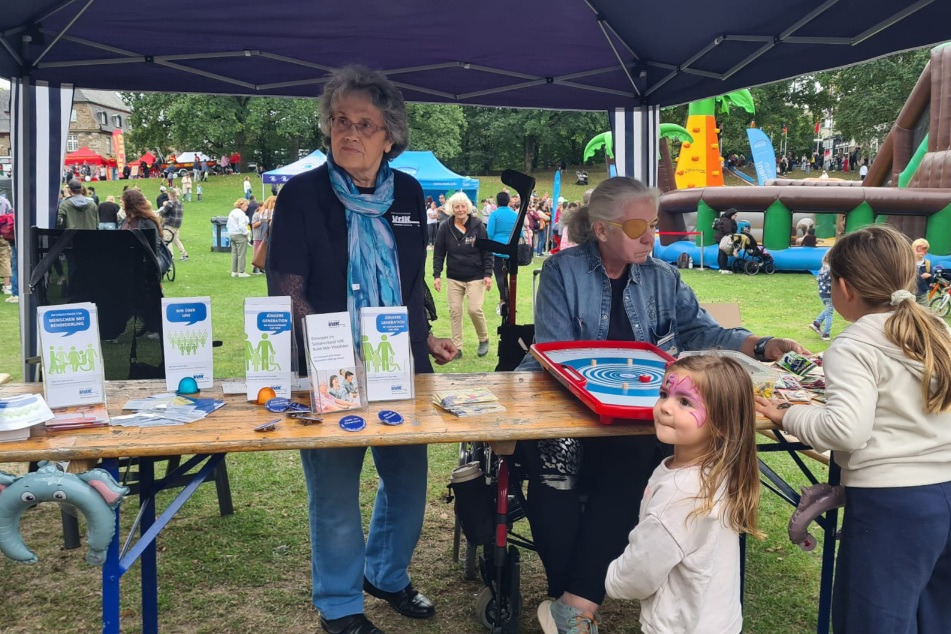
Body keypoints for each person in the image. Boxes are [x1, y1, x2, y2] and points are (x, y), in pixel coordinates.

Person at [518, 176, 805, 634]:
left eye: (652, 224)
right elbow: (555, 351)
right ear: (602, 231)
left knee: (630, 459)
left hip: (639, 414)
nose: (651, 236)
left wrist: (761, 342)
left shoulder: (663, 275)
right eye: (637, 227)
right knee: (554, 469)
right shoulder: (562, 270)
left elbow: (702, 331)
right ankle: (569, 594)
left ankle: (576, 604)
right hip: (568, 404)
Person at [266, 65, 455, 634]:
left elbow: (409, 278)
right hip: (327, 368)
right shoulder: (302, 194)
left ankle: (386, 573)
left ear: (389, 135)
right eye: (340, 121)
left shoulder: (412, 193)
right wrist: (325, 361)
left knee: (407, 485)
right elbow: (285, 287)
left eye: (364, 124)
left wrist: (424, 335)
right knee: (336, 491)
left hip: (401, 364)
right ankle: (340, 604)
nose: (349, 133)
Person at [756, 224, 951, 634]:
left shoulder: (855, 345)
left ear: (843, 287)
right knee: (935, 614)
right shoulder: (936, 330)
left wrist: (784, 415)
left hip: (893, 507)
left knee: (874, 619)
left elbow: (845, 430)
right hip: (944, 491)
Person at [602, 354, 763, 634]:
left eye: (685, 402)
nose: (665, 407)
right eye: (664, 393)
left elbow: (642, 570)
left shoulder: (680, 494)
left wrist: (614, 578)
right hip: (718, 620)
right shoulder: (720, 469)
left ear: (722, 423)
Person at [432, 192, 493, 359]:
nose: (460, 210)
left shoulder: (478, 225)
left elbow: (487, 251)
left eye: (463, 206)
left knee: (474, 309)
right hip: (454, 276)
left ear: (468, 207)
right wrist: (436, 275)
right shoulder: (445, 226)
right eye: (456, 207)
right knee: (455, 311)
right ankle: (457, 347)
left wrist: (488, 274)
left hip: (475, 276)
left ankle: (483, 338)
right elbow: (438, 253)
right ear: (452, 208)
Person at [486, 191, 518, 315]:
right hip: (512, 250)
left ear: (497, 202)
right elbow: (519, 233)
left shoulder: (494, 215)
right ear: (508, 200)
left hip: (498, 250)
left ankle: (503, 303)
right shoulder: (515, 215)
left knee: (500, 277)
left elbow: (489, 233)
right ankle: (509, 302)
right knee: (511, 278)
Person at [158, 188, 188, 261]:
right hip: (177, 225)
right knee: (176, 240)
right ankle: (184, 255)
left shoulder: (170, 203)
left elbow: (162, 212)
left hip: (169, 224)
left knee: (167, 240)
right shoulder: (180, 203)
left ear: (171, 195)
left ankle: (170, 256)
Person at [810, 251, 833, 341]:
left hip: (823, 294)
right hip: (829, 294)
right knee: (829, 314)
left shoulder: (821, 270)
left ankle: (817, 323)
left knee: (828, 310)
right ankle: (826, 334)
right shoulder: (831, 271)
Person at [227, 198, 251, 278]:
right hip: (239, 234)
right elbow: (242, 225)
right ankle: (241, 271)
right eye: (245, 205)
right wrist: (246, 233)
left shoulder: (232, 212)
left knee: (234, 254)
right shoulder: (241, 213)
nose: (247, 207)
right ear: (241, 205)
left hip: (232, 234)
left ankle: (234, 271)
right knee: (241, 254)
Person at [251, 195, 275, 274]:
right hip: (268, 234)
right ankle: (259, 267)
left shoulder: (263, 212)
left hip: (264, 234)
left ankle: (260, 267)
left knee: (261, 251)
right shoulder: (271, 212)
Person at [713, 208, 738, 274]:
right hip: (723, 238)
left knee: (720, 253)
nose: (736, 216)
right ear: (731, 214)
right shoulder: (727, 221)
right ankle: (724, 269)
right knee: (723, 253)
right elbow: (728, 232)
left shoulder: (723, 219)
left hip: (718, 238)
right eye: (735, 215)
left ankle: (721, 268)